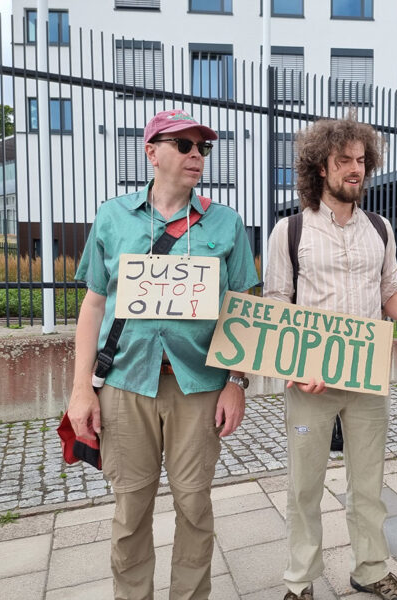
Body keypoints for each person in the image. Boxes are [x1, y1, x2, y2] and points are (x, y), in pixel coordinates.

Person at [68, 109, 259, 599]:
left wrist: (237, 383)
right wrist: (80, 392)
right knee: (130, 509)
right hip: (126, 384)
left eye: (204, 148)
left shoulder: (226, 223)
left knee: (194, 507)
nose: (197, 155)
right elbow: (93, 304)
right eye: (184, 145)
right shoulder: (113, 217)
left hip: (198, 387)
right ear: (152, 152)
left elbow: (244, 309)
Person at [264, 115, 397, 600]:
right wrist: (296, 366)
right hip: (309, 382)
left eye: (362, 161)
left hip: (367, 377)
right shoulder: (290, 231)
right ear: (321, 166)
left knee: (369, 483)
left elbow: (391, 295)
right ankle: (300, 581)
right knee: (303, 487)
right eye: (345, 161)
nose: (356, 170)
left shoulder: (380, 228)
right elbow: (277, 304)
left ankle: (371, 568)